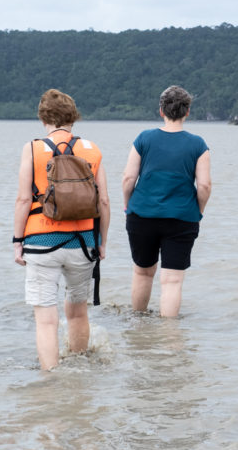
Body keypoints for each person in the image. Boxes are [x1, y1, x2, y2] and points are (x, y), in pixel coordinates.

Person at [12, 89, 110, 370]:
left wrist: (18, 240)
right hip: (83, 243)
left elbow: (22, 199)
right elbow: (103, 200)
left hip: (41, 242)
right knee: (78, 312)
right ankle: (79, 367)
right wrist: (101, 241)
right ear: (73, 116)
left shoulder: (32, 148)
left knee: (46, 319)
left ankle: (51, 378)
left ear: (44, 117)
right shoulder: (92, 149)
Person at [121, 85, 211, 318]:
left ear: (161, 110)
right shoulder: (198, 145)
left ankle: (139, 326)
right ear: (187, 111)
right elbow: (204, 186)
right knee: (172, 280)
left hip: (142, 215)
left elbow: (129, 178)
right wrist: (198, 210)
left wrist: (127, 204)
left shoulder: (144, 139)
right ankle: (169, 337)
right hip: (182, 217)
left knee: (142, 273)